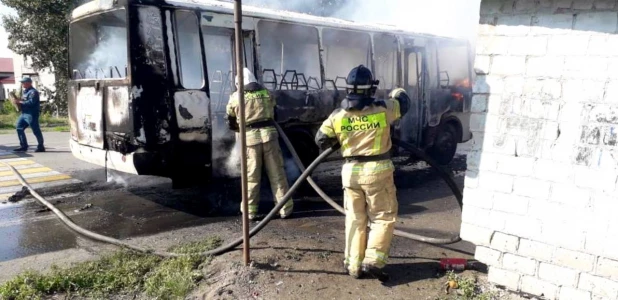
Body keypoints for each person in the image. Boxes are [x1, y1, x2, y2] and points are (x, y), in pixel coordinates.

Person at [315, 65, 410, 282]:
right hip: (378, 173)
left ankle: (353, 264)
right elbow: (405, 104)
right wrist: (397, 92)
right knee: (382, 217)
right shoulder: (385, 109)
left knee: (355, 218)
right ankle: (374, 261)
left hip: (350, 174)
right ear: (370, 90)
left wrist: (344, 139)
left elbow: (320, 140)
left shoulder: (337, 116)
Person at [226, 67, 293, 220]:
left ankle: (250, 212)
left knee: (251, 176)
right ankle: (285, 209)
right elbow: (275, 114)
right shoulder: (267, 93)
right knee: (277, 173)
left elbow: (230, 120)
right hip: (270, 137)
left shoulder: (236, 97)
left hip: (250, 141)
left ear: (238, 83)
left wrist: (239, 128)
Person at [14, 77, 45, 152]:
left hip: (31, 114)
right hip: (24, 113)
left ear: (28, 83)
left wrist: (20, 102)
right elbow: (23, 101)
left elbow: (31, 102)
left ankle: (41, 146)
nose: (22, 84)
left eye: (23, 82)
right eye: (22, 83)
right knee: (19, 127)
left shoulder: (33, 92)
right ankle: (23, 146)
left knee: (35, 130)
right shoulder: (25, 92)